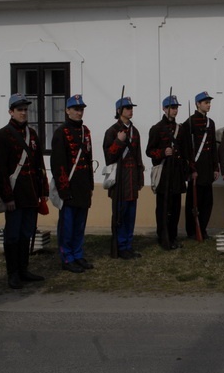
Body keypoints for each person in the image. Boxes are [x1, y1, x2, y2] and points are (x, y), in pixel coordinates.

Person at [0, 93, 48, 288]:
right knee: (13, 235)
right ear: (11, 112)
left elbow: (39, 164)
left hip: (31, 194)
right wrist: (7, 197)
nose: (23, 113)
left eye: (25, 109)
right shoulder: (2, 136)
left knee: (26, 233)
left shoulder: (32, 134)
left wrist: (43, 190)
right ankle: (13, 273)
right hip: (14, 195)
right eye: (19, 109)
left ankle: (24, 269)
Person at [51, 94, 94, 273]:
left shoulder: (85, 131)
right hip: (69, 186)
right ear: (67, 110)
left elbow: (89, 159)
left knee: (79, 225)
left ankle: (77, 254)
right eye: (76, 109)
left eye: (81, 109)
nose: (79, 112)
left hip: (83, 185)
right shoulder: (61, 132)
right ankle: (67, 257)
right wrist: (63, 189)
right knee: (67, 226)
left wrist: (90, 185)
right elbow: (58, 163)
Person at [103, 96, 145, 259]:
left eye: (131, 108)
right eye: (127, 108)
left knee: (130, 216)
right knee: (120, 216)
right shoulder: (112, 131)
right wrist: (119, 142)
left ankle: (128, 245)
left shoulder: (135, 131)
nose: (130, 110)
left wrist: (140, 178)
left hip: (132, 179)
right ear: (119, 111)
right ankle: (120, 246)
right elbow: (109, 157)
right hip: (120, 180)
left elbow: (138, 156)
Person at [146, 94, 189, 250]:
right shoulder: (157, 129)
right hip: (164, 173)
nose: (174, 110)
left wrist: (186, 170)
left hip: (177, 173)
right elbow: (149, 151)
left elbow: (184, 151)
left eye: (176, 107)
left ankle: (172, 236)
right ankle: (163, 237)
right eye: (171, 107)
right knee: (163, 207)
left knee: (175, 207)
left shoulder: (180, 129)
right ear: (164, 109)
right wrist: (163, 152)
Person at [182, 91, 219, 240]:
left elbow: (213, 148)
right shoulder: (189, 123)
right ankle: (192, 231)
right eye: (206, 102)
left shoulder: (211, 123)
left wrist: (215, 168)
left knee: (207, 202)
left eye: (209, 102)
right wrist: (191, 169)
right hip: (196, 169)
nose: (208, 105)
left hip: (208, 169)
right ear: (198, 104)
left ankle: (202, 229)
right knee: (193, 202)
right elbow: (186, 149)